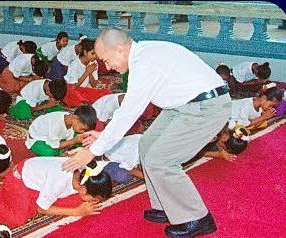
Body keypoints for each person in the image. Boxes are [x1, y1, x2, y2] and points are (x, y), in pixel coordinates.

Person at [63, 28, 231, 237]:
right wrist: (104, 137)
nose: (108, 67)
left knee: (161, 160)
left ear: (121, 49)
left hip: (207, 107)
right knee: (147, 145)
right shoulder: (144, 54)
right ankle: (166, 205)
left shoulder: (144, 63)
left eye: (106, 60)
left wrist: (93, 151)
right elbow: (127, 112)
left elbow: (129, 112)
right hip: (183, 106)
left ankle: (196, 218)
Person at [0, 158, 110, 228]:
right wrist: (76, 212)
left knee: (76, 201)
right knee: (19, 219)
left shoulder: (83, 172)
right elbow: (42, 209)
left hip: (38, 180)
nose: (93, 201)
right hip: (19, 180)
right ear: (83, 189)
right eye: (93, 198)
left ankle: (5, 195)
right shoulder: (59, 181)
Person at [26, 106, 96, 157]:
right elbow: (54, 146)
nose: (82, 131)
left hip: (54, 137)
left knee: (82, 138)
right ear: (75, 119)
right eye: (82, 129)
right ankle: (60, 152)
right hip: (38, 139)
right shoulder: (56, 125)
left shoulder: (69, 118)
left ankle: (62, 150)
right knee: (49, 152)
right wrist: (73, 141)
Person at [62, 38, 111, 108]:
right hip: (72, 89)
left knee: (107, 92)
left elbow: (94, 84)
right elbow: (73, 86)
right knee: (73, 95)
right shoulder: (74, 64)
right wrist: (87, 72)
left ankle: (86, 102)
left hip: (83, 90)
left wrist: (90, 72)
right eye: (93, 53)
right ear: (85, 52)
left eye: (96, 53)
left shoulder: (94, 62)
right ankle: (85, 102)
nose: (96, 56)